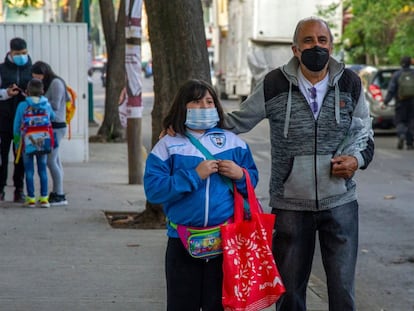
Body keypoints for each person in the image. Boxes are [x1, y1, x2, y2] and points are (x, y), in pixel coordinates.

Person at [221, 17, 375, 310]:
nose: (316, 46)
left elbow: (364, 133)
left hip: (340, 203)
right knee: (290, 295)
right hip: (290, 205)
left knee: (343, 292)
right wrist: (189, 125)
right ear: (295, 48)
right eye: (308, 41)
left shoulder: (350, 83)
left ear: (330, 46)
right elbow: (236, 122)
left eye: (322, 41)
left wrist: (356, 160)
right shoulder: (274, 83)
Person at [144, 79, 259, 311]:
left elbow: (252, 182)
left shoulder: (234, 143)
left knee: (219, 304)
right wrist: (194, 175)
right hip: (182, 241)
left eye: (209, 101)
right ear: (182, 107)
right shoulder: (168, 144)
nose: (205, 107)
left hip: (225, 243)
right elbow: (154, 190)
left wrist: (240, 174)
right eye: (196, 102)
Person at [13, 78, 55, 208]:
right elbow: (52, 117)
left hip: (27, 142)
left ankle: (30, 198)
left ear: (27, 91)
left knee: (29, 170)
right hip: (43, 142)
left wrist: (16, 143)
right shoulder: (46, 105)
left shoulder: (22, 105)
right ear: (42, 91)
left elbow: (16, 125)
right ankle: (44, 199)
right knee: (42, 169)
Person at [31, 61, 68, 205]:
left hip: (56, 126)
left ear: (45, 73)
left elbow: (55, 105)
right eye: (35, 76)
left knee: (50, 161)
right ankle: (57, 191)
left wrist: (37, 101)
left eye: (39, 76)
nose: (37, 79)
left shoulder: (56, 83)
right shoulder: (50, 83)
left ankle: (60, 194)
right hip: (50, 126)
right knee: (56, 160)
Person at [0, 37, 32, 202]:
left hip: (24, 123)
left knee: (20, 157)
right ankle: (1, 189)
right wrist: (6, 93)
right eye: (18, 53)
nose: (22, 56)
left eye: (24, 53)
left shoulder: (32, 69)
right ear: (10, 52)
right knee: (2, 156)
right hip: (3, 121)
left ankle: (19, 189)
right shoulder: (2, 69)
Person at [383, 56, 414, 150]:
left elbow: (391, 90)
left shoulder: (397, 74)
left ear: (401, 63)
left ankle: (401, 135)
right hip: (413, 102)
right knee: (411, 121)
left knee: (400, 120)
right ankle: (409, 143)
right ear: (410, 63)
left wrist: (386, 101)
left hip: (401, 102)